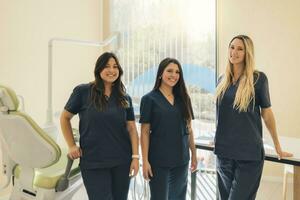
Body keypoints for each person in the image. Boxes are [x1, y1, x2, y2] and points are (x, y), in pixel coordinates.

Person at [215, 35, 293, 200]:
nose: (234, 52)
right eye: (232, 47)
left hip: (249, 154)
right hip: (224, 154)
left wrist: (277, 146)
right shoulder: (221, 80)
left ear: (247, 53)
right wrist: (217, 137)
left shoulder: (258, 79)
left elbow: (267, 114)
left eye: (240, 49)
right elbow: (221, 114)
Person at [60, 52, 139, 200]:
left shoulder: (124, 97)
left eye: (115, 66)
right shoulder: (83, 91)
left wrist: (135, 157)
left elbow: (132, 129)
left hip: (122, 161)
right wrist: (71, 145)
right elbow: (65, 118)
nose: (112, 70)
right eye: (107, 66)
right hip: (93, 161)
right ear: (99, 69)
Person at [140, 57, 198, 200]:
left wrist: (194, 154)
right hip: (159, 162)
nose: (174, 75)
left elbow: (189, 129)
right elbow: (145, 132)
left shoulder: (184, 98)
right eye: (169, 71)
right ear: (161, 73)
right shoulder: (149, 99)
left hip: (181, 160)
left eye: (177, 72)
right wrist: (145, 161)